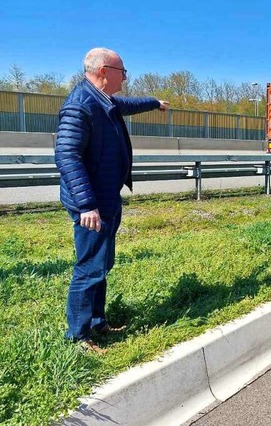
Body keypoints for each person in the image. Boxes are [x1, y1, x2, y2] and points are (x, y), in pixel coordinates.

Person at [55, 47, 169, 353]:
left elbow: (127, 105)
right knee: (90, 266)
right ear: (104, 71)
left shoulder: (103, 100)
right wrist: (86, 204)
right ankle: (78, 336)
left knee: (102, 264)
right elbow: (67, 156)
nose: (126, 77)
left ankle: (96, 321)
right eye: (123, 72)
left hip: (106, 197)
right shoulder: (80, 106)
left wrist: (154, 103)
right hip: (92, 204)